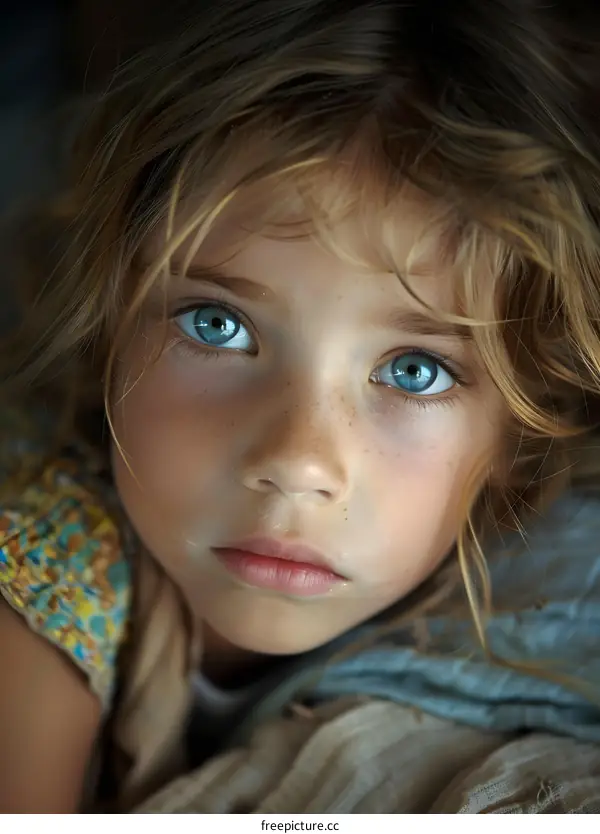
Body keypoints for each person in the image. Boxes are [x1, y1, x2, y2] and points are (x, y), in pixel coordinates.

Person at [1, 0, 600, 813]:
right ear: (110, 324)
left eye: (416, 371)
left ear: (517, 433)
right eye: (218, 325)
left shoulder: (547, 602)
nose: (297, 461)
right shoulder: (46, 563)